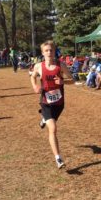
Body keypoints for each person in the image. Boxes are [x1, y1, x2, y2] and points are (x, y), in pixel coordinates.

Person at [30, 40, 74, 169]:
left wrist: (62, 81)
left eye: (51, 50)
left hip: (59, 103)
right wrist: (35, 86)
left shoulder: (61, 65)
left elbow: (73, 80)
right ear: (43, 53)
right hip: (46, 102)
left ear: (55, 52)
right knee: (53, 128)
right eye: (46, 50)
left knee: (51, 122)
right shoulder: (38, 66)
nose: (49, 52)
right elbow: (33, 76)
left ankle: (44, 118)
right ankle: (58, 158)